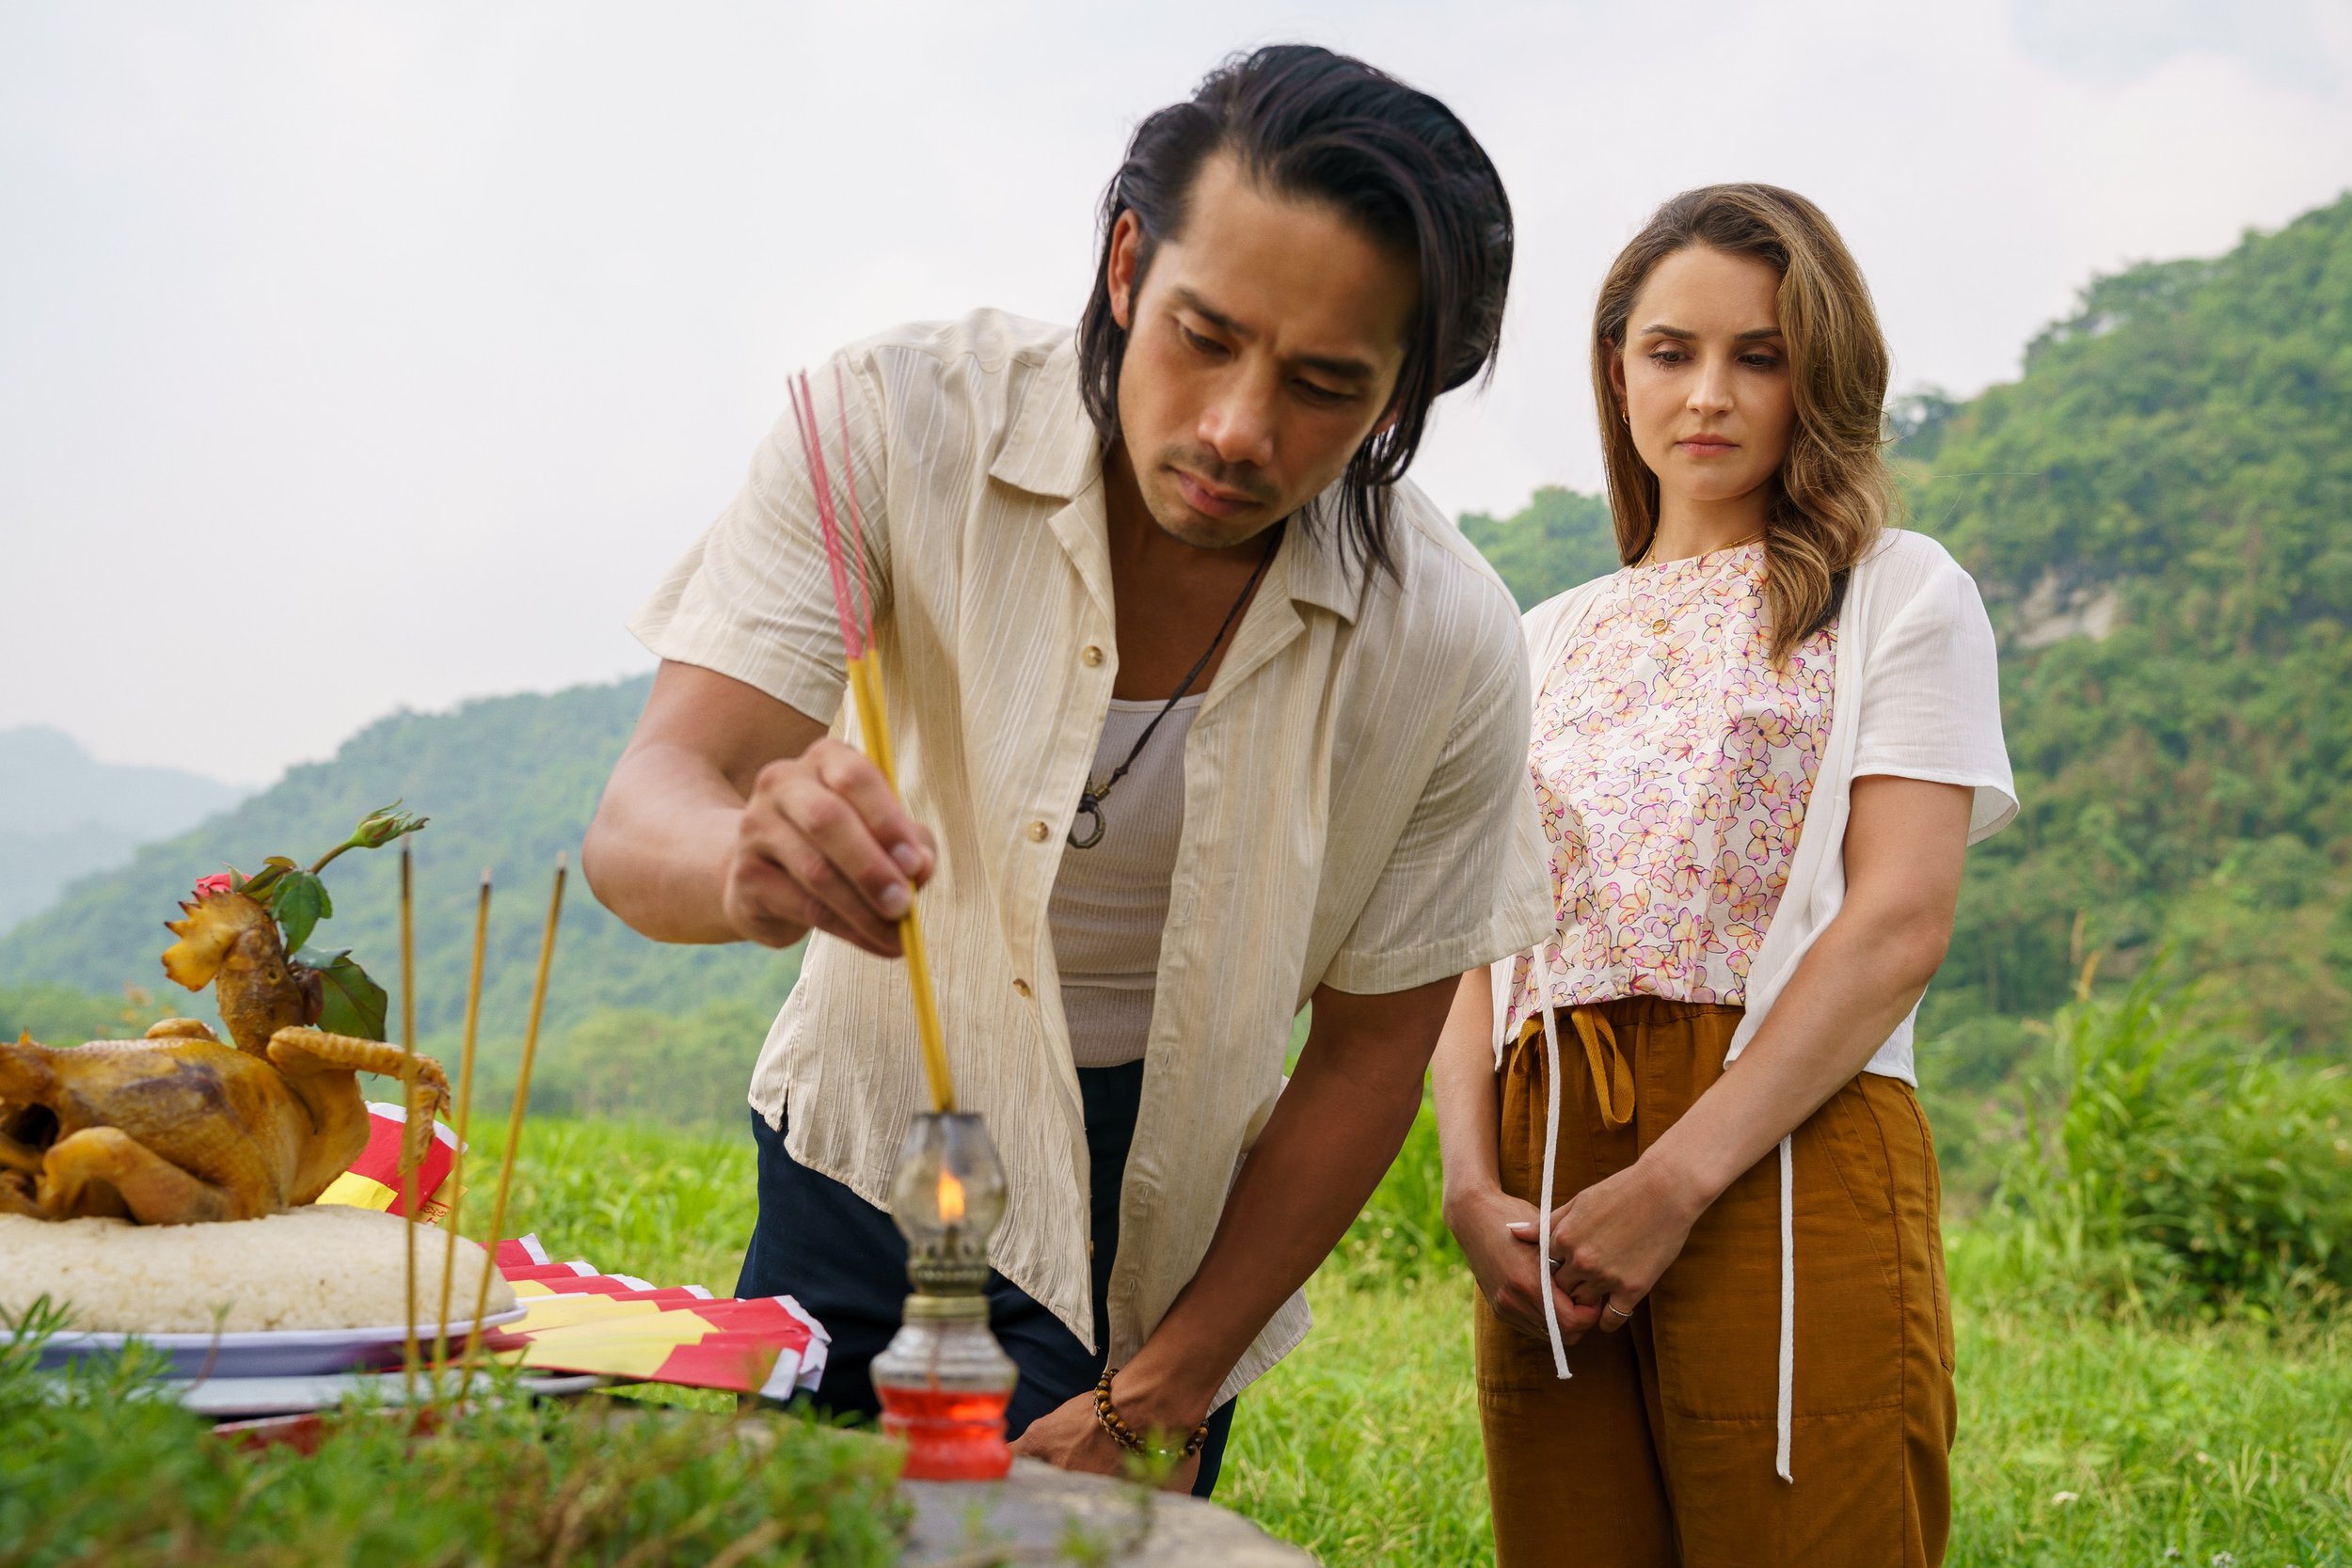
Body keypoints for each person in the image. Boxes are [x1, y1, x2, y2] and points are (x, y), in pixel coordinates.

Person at [582, 45, 1549, 1497]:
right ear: (1123, 263)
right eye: (1203, 335)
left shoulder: (1446, 642)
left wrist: (1165, 1385)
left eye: (1323, 385)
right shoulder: (893, 426)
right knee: (777, 1532)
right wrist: (737, 856)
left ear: (1404, 391)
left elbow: (1363, 1055)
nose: (1235, 427)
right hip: (866, 1135)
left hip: (1156, 1220)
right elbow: (647, 805)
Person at [1432, 183, 2017, 1565]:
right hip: (1546, 1148)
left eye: (1760, 355)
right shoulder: (1538, 641)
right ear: (1616, 369)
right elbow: (1465, 946)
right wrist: (1466, 1182)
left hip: (1779, 1135)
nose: (1709, 393)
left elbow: (1895, 924)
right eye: (1669, 351)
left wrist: (1677, 1183)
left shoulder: (1896, 592)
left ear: (1820, 377)